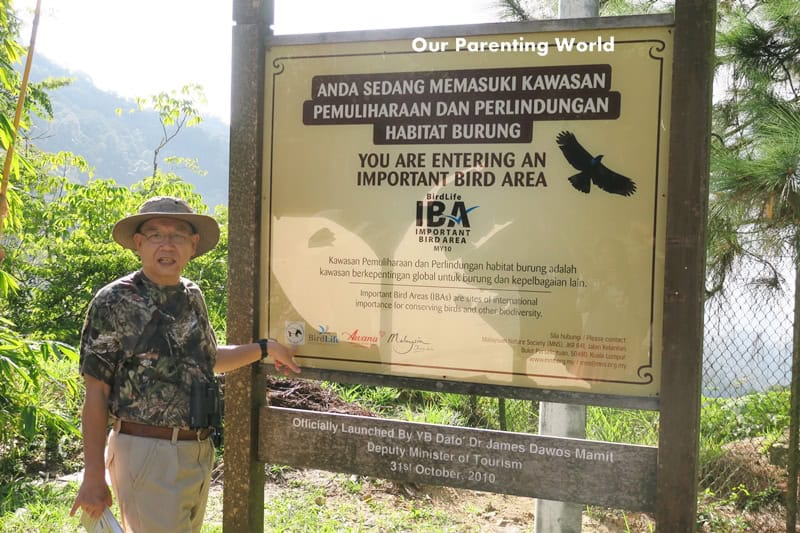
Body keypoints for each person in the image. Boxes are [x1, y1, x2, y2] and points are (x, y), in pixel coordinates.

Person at [69, 196, 300, 532]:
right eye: (155, 235)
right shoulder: (114, 301)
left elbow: (208, 360)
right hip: (147, 451)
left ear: (193, 245)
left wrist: (265, 348)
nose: (167, 244)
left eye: (178, 235)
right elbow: (96, 393)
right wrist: (92, 474)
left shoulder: (191, 295)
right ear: (138, 244)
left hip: (196, 450)